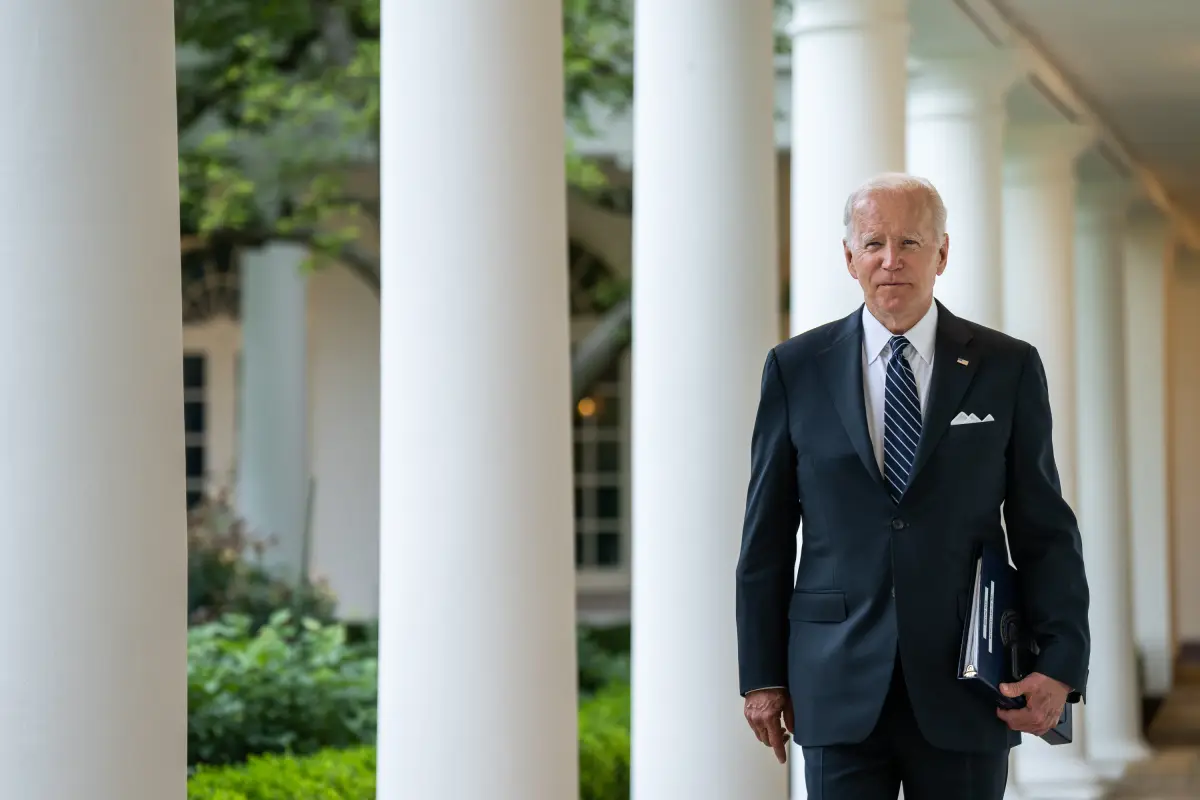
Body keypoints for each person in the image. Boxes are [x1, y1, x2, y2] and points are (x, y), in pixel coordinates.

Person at [734, 173, 1090, 799]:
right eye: (873, 244)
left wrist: (1058, 664)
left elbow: (1044, 528)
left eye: (910, 243)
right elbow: (765, 535)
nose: (890, 261)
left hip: (970, 683)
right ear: (849, 258)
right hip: (835, 680)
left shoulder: (1006, 367)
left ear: (943, 254)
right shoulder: (794, 369)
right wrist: (761, 676)